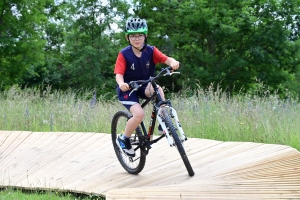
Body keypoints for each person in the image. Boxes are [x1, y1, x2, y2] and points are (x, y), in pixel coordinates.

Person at [113, 18, 180, 157]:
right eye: (133, 36)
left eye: (140, 35)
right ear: (127, 37)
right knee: (139, 114)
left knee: (158, 90)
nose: (136, 39)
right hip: (128, 89)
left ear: (145, 36)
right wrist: (121, 84)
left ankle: (164, 124)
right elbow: (118, 74)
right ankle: (124, 139)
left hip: (144, 85)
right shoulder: (124, 54)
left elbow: (166, 59)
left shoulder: (151, 51)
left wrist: (173, 62)